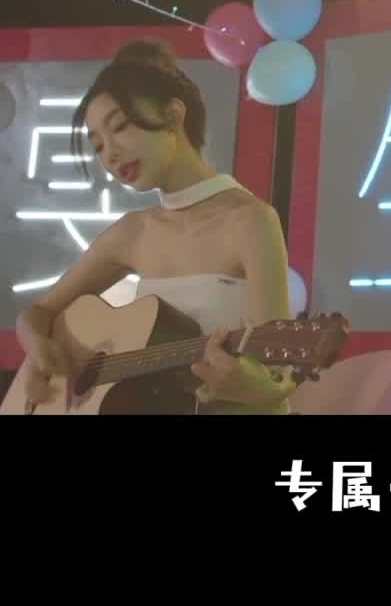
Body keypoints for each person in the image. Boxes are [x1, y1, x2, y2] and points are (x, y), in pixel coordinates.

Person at [15, 39, 296, 414]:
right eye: (98, 146)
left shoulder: (251, 220)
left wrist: (257, 386)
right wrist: (39, 348)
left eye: (120, 127)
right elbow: (37, 314)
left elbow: (277, 376)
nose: (110, 154)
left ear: (174, 113)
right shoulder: (133, 232)